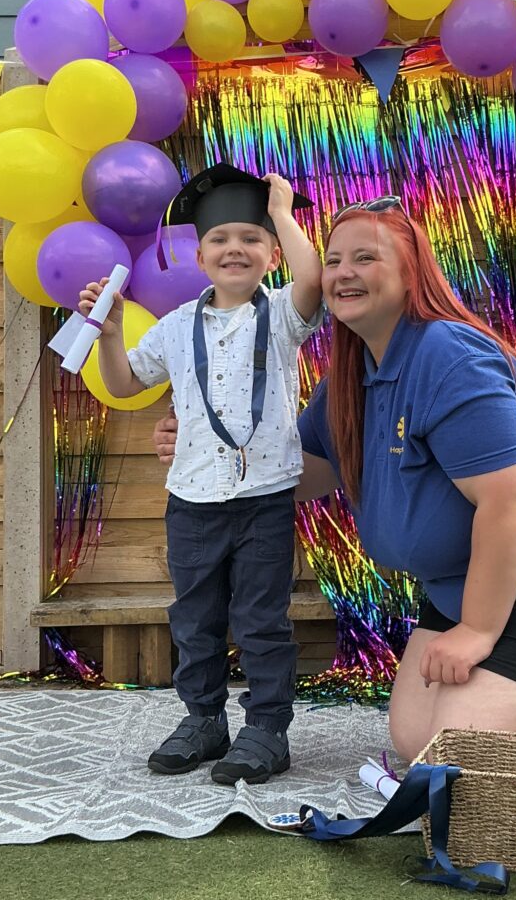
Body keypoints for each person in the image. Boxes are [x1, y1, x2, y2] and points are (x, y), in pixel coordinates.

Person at [153, 197, 516, 794]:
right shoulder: (353, 374)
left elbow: (509, 500)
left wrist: (476, 631)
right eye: (333, 260)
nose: (342, 273)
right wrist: (205, 442)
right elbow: (305, 472)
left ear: (412, 271)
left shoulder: (450, 354)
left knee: (461, 762)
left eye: (366, 257)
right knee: (418, 744)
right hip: (462, 586)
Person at [81, 163, 323, 785]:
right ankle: (204, 719)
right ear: (200, 253)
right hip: (191, 498)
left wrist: (284, 213)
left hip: (263, 498)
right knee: (195, 617)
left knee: (263, 618)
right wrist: (109, 335)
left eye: (250, 238)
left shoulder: (283, 318)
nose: (234, 249)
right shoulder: (175, 327)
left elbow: (313, 277)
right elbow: (123, 383)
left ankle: (267, 727)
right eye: (219, 239)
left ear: (270, 254)